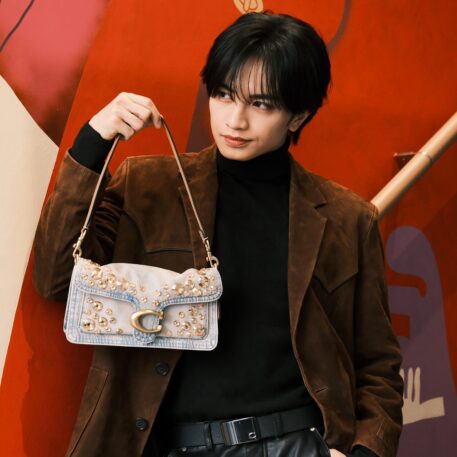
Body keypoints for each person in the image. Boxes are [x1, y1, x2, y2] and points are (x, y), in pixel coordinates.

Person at [33, 11, 403, 457]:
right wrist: (93, 143)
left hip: (297, 444)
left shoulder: (347, 218)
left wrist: (364, 452)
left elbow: (378, 365)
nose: (235, 120)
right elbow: (56, 277)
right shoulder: (147, 187)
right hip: (174, 446)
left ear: (298, 115)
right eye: (224, 95)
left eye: (261, 104)